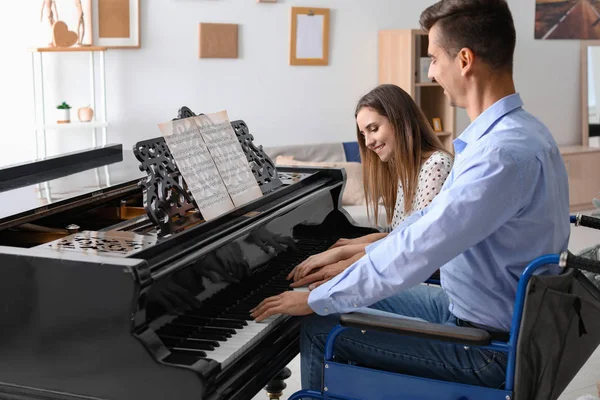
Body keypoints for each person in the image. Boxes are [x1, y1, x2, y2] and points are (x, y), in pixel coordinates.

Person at [251, 0, 570, 391]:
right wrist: (342, 267)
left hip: (489, 345)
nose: (432, 72)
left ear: (465, 60)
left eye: (434, 58)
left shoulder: (499, 155)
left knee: (319, 323)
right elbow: (423, 224)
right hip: (472, 310)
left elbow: (420, 248)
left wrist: (318, 299)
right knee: (330, 295)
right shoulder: (523, 134)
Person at [286, 83, 453, 291]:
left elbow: (417, 248)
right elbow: (401, 235)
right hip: (406, 273)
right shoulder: (408, 170)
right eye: (364, 134)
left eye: (373, 129)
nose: (368, 143)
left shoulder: (435, 166)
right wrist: (350, 247)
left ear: (401, 121)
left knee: (321, 298)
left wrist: (346, 260)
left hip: (426, 282)